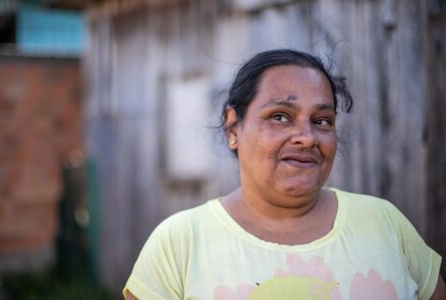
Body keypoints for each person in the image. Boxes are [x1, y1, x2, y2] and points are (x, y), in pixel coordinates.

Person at [124, 49, 445, 299]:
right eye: (280, 117)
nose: (306, 137)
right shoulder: (180, 243)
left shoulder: (384, 223)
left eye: (322, 120)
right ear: (233, 126)